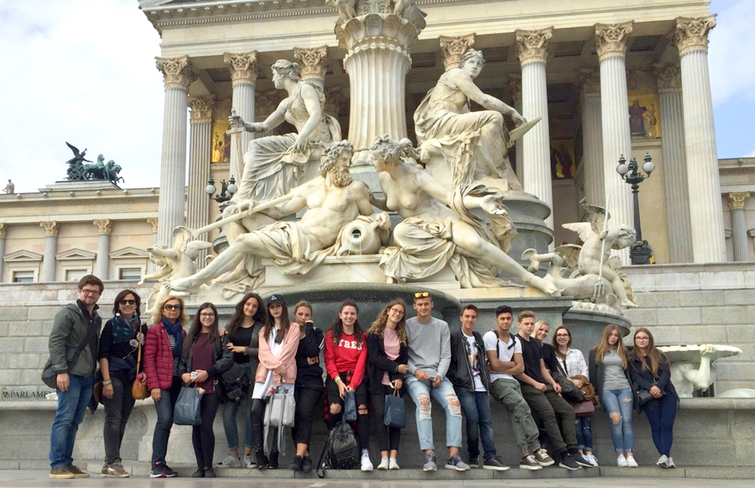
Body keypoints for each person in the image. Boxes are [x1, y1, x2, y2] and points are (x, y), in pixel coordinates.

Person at [167, 141, 377, 293]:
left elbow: (370, 218)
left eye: (349, 161)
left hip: (306, 242)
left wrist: (379, 220)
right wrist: (254, 205)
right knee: (232, 212)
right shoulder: (311, 188)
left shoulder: (355, 189)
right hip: (293, 231)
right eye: (343, 160)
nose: (347, 166)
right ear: (331, 162)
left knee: (243, 241)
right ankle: (240, 269)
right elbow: (280, 211)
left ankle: (196, 280)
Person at [369, 136, 557, 295]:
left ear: (385, 160)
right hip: (416, 227)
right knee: (400, 232)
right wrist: (374, 202)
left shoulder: (416, 176)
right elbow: (392, 204)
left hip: (442, 220)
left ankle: (529, 277)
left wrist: (480, 202)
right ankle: (456, 249)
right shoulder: (384, 178)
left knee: (475, 244)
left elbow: (449, 197)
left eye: (373, 158)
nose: (371, 162)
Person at [413, 48, 525, 192]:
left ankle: (486, 174)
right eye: (471, 62)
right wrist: (511, 111)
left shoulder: (465, 98)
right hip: (440, 122)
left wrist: (501, 137)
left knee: (485, 128)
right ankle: (501, 170)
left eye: (478, 65)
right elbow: (483, 99)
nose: (475, 66)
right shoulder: (456, 73)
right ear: (462, 64)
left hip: (449, 122)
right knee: (494, 117)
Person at [515, 310, 591, 470]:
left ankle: (573, 450)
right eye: (526, 324)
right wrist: (536, 384)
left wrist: (553, 383)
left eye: (531, 323)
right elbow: (517, 370)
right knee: (549, 413)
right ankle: (563, 454)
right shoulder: (516, 342)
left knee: (568, 411)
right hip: (528, 386)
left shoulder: (535, 343)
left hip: (544, 385)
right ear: (519, 324)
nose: (529, 327)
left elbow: (542, 368)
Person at [404, 292, 469, 472]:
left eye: (426, 304)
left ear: (432, 305)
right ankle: (429, 454)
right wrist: (416, 371)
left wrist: (440, 374)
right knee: (424, 402)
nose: (423, 307)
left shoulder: (442, 326)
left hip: (439, 376)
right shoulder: (407, 325)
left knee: (454, 404)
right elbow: (402, 355)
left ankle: (453, 455)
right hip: (415, 376)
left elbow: (446, 355)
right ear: (414, 306)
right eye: (420, 304)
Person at [47, 275, 104, 479]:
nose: (90, 294)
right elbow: (56, 342)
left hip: (87, 376)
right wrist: (61, 371)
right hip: (69, 374)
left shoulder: (96, 317)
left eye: (94, 292)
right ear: (79, 291)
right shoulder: (68, 313)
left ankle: (67, 463)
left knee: (74, 421)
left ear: (99, 295)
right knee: (64, 418)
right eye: (86, 290)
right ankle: (57, 464)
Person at [483, 305, 552, 471]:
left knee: (517, 415)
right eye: (502, 319)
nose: (505, 321)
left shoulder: (515, 340)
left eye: (508, 318)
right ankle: (536, 447)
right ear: (496, 320)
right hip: (496, 382)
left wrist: (503, 366)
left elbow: (520, 367)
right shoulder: (490, 336)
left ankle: (525, 455)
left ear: (512, 321)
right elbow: (494, 364)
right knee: (523, 406)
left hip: (513, 382)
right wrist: (510, 364)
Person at [448, 304, 509, 471]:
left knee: (486, 422)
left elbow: (482, 360)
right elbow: (449, 361)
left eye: (473, 317)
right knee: (473, 419)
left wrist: (485, 377)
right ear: (461, 318)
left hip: (481, 386)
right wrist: (458, 378)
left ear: (476, 319)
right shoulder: (455, 337)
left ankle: (490, 456)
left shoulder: (478, 337)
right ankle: (473, 454)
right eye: (467, 316)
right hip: (464, 386)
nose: (470, 319)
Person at [179, 303, 234, 478]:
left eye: (210, 314)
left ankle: (208, 466)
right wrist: (183, 374)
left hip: (212, 388)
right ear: (199, 316)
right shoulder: (191, 338)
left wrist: (208, 372)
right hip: (193, 389)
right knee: (195, 427)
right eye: (204, 314)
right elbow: (181, 360)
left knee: (205, 425)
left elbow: (228, 359)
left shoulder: (221, 338)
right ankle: (200, 467)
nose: (207, 317)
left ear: (215, 317)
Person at [98, 289, 148, 478]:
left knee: (122, 420)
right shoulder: (111, 325)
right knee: (113, 419)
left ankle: (109, 462)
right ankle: (113, 462)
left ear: (136, 305)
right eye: (123, 302)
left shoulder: (142, 327)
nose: (127, 304)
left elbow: (145, 354)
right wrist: (106, 381)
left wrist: (143, 372)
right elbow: (103, 354)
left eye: (131, 302)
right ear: (118, 305)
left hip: (132, 378)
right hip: (113, 375)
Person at [250, 295, 301, 469]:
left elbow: (289, 351)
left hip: (285, 377)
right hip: (265, 375)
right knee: (255, 411)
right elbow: (263, 354)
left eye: (278, 306)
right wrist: (277, 367)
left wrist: (279, 370)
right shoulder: (264, 331)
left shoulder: (293, 328)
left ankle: (274, 455)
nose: (275, 309)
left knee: (279, 416)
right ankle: (259, 453)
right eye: (272, 307)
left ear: (284, 308)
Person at [217, 293, 266, 469]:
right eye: (248, 304)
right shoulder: (232, 324)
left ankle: (247, 455)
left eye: (254, 306)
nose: (250, 308)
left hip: (252, 372)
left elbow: (265, 351)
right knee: (228, 413)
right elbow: (222, 348)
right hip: (232, 374)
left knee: (250, 413)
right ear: (242, 305)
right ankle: (233, 454)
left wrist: (243, 349)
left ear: (258, 309)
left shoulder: (261, 327)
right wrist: (220, 335)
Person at [324, 299, 372, 471]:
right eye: (346, 313)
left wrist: (353, 384)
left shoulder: (363, 337)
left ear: (356, 316)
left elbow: (361, 362)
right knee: (335, 408)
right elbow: (329, 360)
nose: (349, 316)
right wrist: (339, 382)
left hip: (356, 378)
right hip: (336, 377)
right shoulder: (331, 335)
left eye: (352, 313)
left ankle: (364, 453)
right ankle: (333, 449)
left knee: (362, 409)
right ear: (340, 315)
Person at [144, 296, 189, 478]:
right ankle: (156, 464)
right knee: (164, 419)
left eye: (176, 307)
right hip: (161, 383)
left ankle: (161, 462)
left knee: (168, 422)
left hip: (177, 382)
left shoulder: (182, 332)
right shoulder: (155, 330)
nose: (172, 309)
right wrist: (154, 386)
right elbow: (148, 359)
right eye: (168, 306)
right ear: (162, 310)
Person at [366, 299, 410, 470]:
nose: (397, 314)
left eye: (400, 312)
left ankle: (393, 458)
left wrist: (399, 376)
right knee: (380, 417)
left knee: (395, 419)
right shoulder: (374, 334)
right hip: (377, 382)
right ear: (387, 311)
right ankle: (383, 457)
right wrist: (395, 367)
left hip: (395, 384)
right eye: (394, 310)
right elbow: (374, 358)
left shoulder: (402, 336)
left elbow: (404, 359)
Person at [629, 328, 679, 469]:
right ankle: (666, 457)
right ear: (635, 340)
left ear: (649, 340)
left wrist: (658, 387)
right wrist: (651, 388)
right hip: (648, 396)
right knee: (656, 426)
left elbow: (666, 373)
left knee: (666, 425)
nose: (641, 340)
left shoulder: (659, 355)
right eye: (638, 338)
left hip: (667, 393)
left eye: (644, 338)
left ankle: (665, 455)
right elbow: (635, 377)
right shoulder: (632, 358)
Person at [590, 324, 636, 467]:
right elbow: (593, 374)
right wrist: (595, 393)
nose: (613, 337)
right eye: (611, 335)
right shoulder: (595, 352)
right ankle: (620, 455)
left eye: (616, 335)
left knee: (627, 421)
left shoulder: (624, 351)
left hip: (624, 388)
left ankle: (630, 455)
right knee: (617, 420)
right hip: (607, 390)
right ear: (606, 335)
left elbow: (630, 372)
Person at [553, 326, 597, 467]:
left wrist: (580, 381)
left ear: (569, 337)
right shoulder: (553, 355)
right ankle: (579, 452)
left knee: (586, 425)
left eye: (565, 334)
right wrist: (571, 382)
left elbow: (584, 370)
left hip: (580, 391)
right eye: (559, 335)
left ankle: (589, 454)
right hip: (566, 393)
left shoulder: (577, 353)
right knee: (575, 424)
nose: (562, 337)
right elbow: (556, 374)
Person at [289, 301, 325, 473]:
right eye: (300, 314)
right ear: (294, 315)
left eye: (307, 315)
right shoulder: (288, 332)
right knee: (293, 415)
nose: (303, 318)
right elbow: (286, 358)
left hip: (312, 382)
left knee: (304, 412)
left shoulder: (317, 332)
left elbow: (313, 352)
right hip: (292, 380)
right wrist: (304, 362)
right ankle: (306, 455)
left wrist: (308, 329)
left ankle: (298, 456)